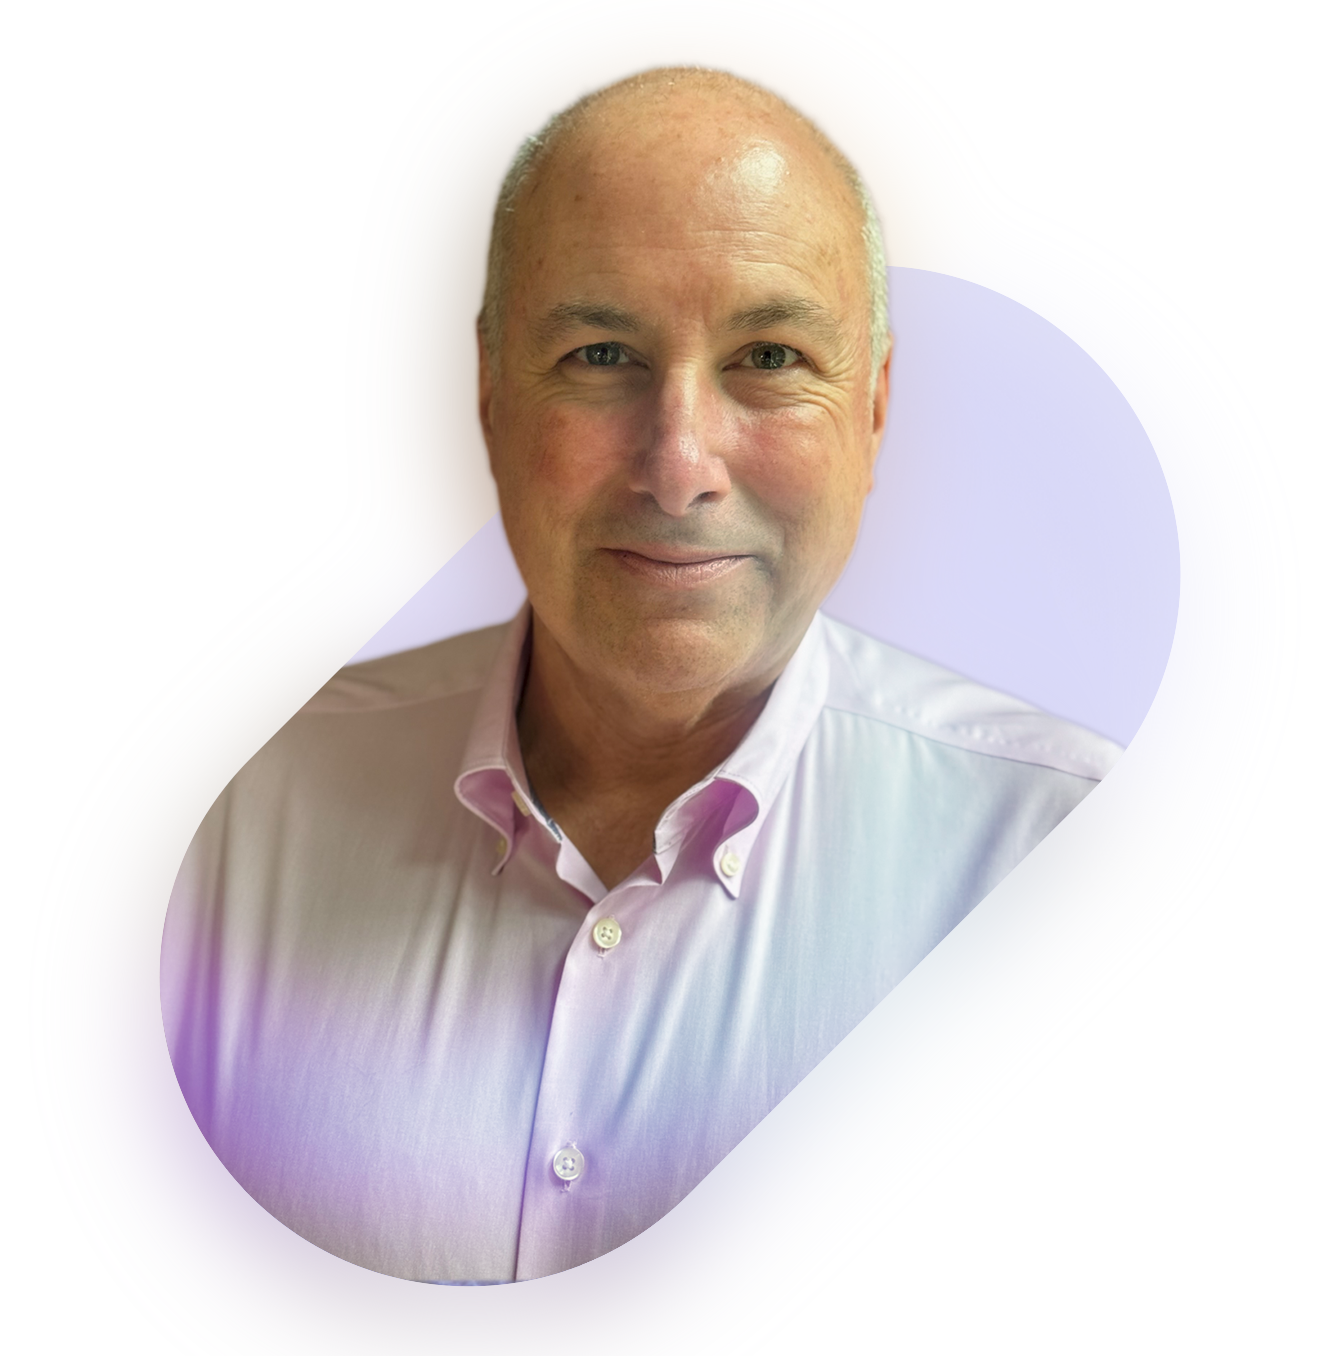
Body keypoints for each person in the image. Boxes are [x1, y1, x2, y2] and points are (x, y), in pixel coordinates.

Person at [161, 62, 1121, 1284]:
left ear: (873, 407)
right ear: (490, 391)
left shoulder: (1072, 871)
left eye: (768, 355)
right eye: (601, 351)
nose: (678, 465)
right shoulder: (210, 815)